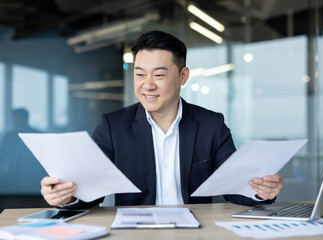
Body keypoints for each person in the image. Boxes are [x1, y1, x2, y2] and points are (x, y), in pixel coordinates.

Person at [40, 30, 283, 209]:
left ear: (183, 76)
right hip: (136, 233)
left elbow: (236, 187)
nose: (147, 85)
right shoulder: (113, 126)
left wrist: (262, 191)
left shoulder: (211, 125)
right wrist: (65, 195)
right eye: (139, 74)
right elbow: (89, 192)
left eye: (159, 74)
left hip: (196, 232)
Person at [0, 108, 45, 193]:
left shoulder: (11, 136)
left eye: (15, 118)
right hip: (18, 180)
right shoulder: (36, 134)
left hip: (29, 180)